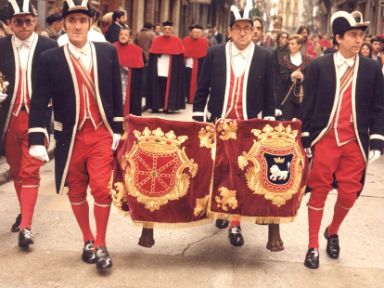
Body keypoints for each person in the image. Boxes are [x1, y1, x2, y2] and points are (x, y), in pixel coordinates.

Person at [28, 0, 123, 271]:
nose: (77, 26)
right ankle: (88, 240)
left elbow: (117, 93)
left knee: (102, 189)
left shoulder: (107, 53)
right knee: (76, 190)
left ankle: (102, 244)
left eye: (82, 21)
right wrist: (37, 136)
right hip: (71, 137)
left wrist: (118, 128)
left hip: (101, 134)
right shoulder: (50, 58)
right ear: (64, 25)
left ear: (90, 24)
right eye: (72, 21)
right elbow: (39, 100)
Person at [301, 10, 384, 269]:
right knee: (319, 193)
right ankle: (312, 245)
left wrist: (378, 139)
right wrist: (305, 136)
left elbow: (379, 107)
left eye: (361, 35)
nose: (359, 40)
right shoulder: (319, 66)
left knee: (349, 194)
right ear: (338, 38)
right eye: (353, 35)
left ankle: (332, 231)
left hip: (354, 141)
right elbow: (308, 104)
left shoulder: (372, 68)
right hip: (325, 138)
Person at [192, 1, 275, 247]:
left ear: (254, 31)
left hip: (247, 124)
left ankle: (235, 224)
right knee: (218, 170)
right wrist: (198, 114)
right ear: (229, 30)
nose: (242, 33)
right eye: (237, 28)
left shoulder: (265, 55)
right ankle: (221, 209)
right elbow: (202, 86)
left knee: (239, 173)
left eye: (247, 28)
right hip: (219, 121)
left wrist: (268, 120)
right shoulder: (215, 52)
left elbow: (270, 92)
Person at [0, 0, 57, 249]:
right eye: (18, 21)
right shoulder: (1, 46)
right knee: (16, 169)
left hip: (37, 120)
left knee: (30, 170)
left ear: (36, 21)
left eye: (28, 21)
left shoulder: (49, 46)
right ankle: (25, 213)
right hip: (8, 119)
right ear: (9, 24)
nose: (24, 26)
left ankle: (26, 227)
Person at [147, 20, 185, 113]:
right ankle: (156, 106)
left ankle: (167, 106)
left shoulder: (177, 41)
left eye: (169, 29)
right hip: (159, 68)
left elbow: (179, 58)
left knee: (168, 88)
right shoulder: (157, 40)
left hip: (171, 69)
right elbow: (153, 56)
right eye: (165, 29)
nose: (167, 30)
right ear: (162, 30)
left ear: (172, 30)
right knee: (158, 87)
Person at [277, 34, 311, 120]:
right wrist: (291, 76)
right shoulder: (285, 60)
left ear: (299, 45)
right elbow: (280, 78)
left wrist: (303, 77)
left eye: (293, 44)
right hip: (288, 97)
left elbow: (312, 78)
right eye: (289, 44)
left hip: (302, 97)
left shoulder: (307, 60)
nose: (290, 46)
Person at [114, 27, 144, 116]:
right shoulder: (112, 47)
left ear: (130, 37)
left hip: (128, 82)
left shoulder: (136, 50)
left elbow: (138, 68)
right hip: (116, 80)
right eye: (121, 34)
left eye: (125, 35)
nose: (123, 36)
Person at [182, 24, 208, 104]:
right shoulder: (185, 40)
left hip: (199, 65)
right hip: (188, 64)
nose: (196, 34)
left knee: (198, 81)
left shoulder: (204, 41)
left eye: (198, 32)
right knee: (186, 81)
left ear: (201, 33)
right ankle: (186, 97)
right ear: (191, 33)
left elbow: (205, 54)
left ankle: (195, 98)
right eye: (194, 32)